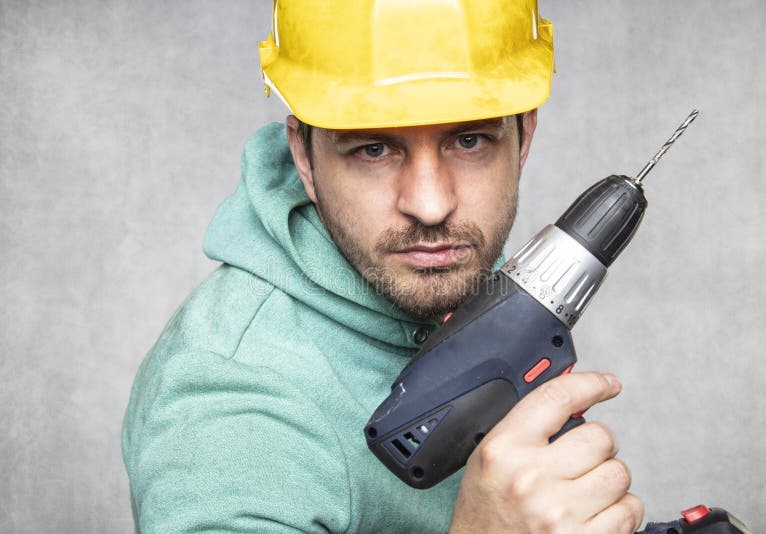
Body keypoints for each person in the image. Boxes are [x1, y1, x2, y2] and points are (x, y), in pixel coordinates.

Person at [123, 1, 645, 532]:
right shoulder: (233, 405)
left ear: (523, 137)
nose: (430, 204)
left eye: (469, 141)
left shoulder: (475, 292)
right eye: (374, 149)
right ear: (303, 155)